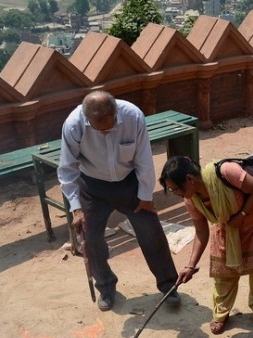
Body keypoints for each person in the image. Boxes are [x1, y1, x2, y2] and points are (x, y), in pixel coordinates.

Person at [58, 91, 180, 312]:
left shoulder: (133, 116)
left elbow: (144, 158)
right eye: (99, 128)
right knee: (91, 238)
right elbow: (67, 169)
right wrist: (76, 208)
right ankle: (105, 286)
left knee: (151, 230)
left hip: (129, 183)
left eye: (110, 126)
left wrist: (145, 196)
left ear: (115, 112)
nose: (106, 132)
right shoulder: (73, 125)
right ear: (87, 119)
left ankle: (169, 285)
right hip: (92, 186)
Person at [159, 156, 253, 335]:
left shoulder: (227, 172)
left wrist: (243, 214)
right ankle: (221, 313)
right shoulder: (191, 200)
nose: (177, 194)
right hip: (226, 228)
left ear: (190, 179)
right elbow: (201, 232)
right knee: (223, 273)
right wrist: (190, 266)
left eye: (176, 189)